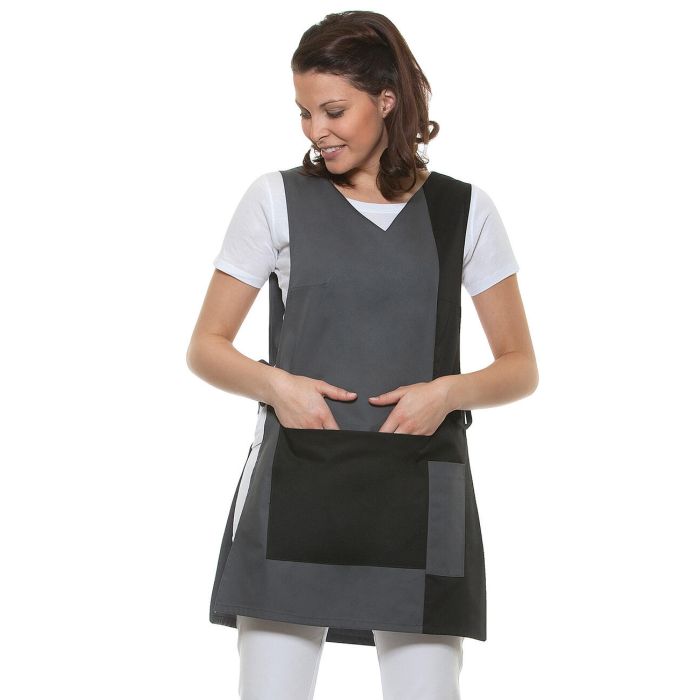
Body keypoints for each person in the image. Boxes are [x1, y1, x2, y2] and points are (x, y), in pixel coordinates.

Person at [186, 10, 538, 700]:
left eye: (334, 110)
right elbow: (206, 346)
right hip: (299, 483)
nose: (316, 130)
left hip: (419, 489)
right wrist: (278, 386)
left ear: (387, 100)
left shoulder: (464, 211)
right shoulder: (275, 199)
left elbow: (519, 366)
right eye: (304, 112)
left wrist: (447, 393)